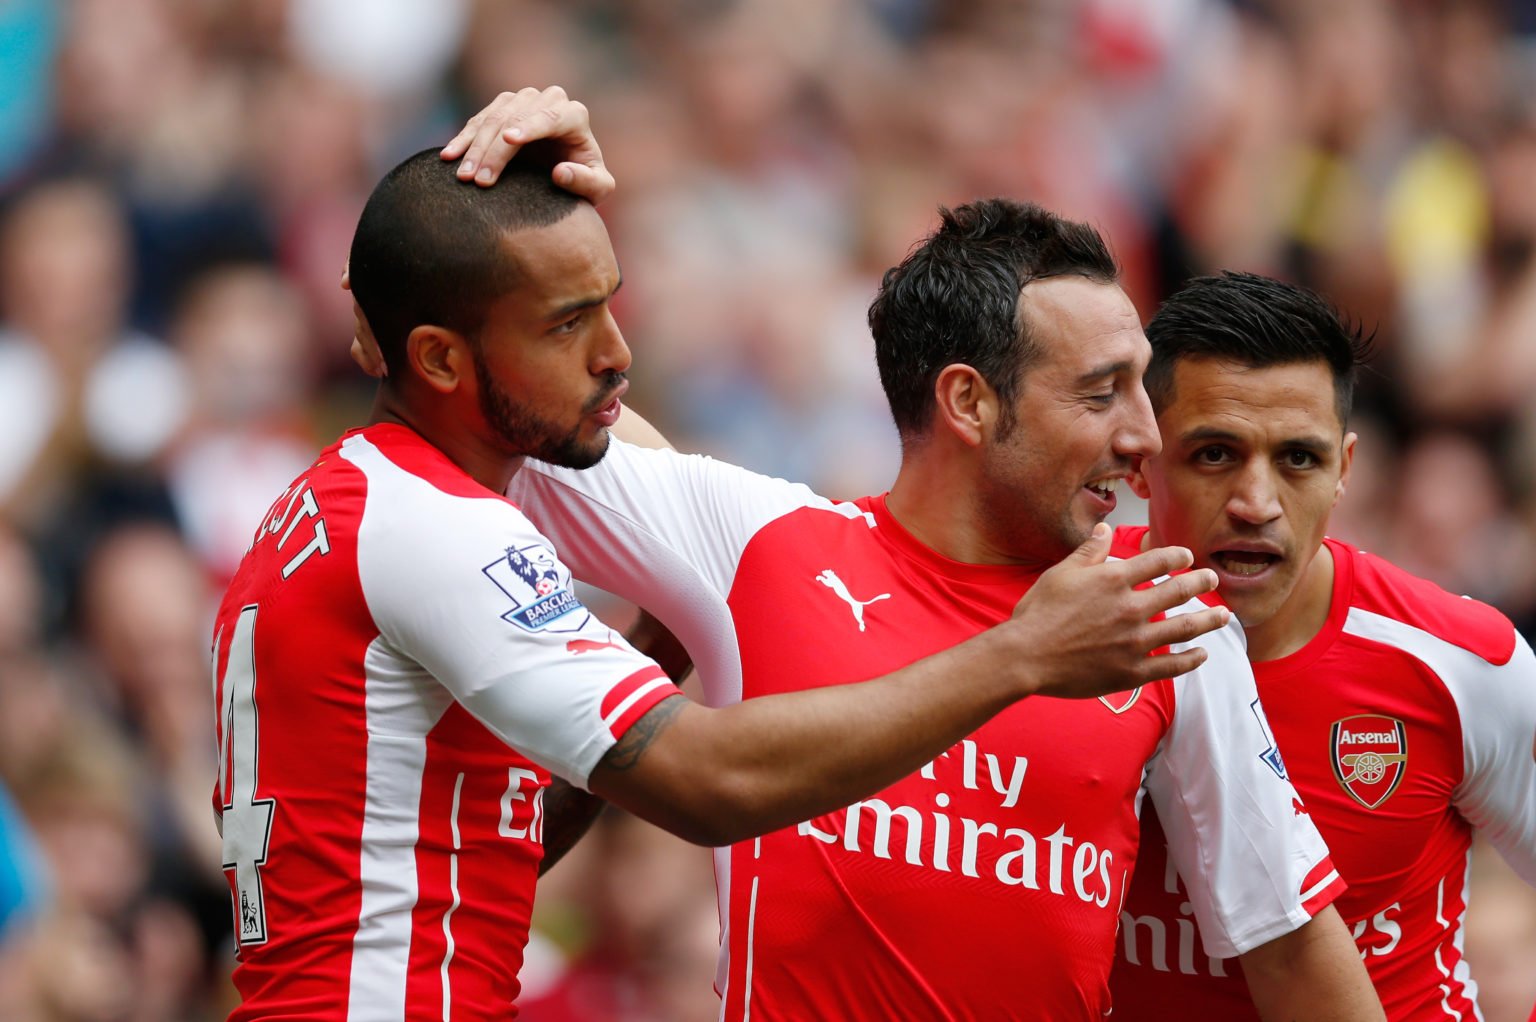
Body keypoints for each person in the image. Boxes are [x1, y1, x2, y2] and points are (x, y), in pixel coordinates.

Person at [211, 90, 1232, 1020]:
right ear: (435, 357)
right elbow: (706, 786)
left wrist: (659, 638)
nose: (615, 350)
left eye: (611, 303)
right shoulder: (438, 523)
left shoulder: (348, 498)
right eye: (569, 322)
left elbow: (472, 855)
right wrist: (1024, 654)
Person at [417, 96, 1381, 1015]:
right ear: (969, 403)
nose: (1145, 437)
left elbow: (1289, 945)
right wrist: (522, 184)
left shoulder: (1156, 609)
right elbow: (463, 373)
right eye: (1101, 396)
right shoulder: (756, 541)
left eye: (1143, 392)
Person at [1108, 271, 1536, 1020]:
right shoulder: (1054, 627)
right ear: (1142, 459)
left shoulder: (1460, 662)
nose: (1256, 503)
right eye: (1214, 454)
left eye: (1298, 459)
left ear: (1345, 469)